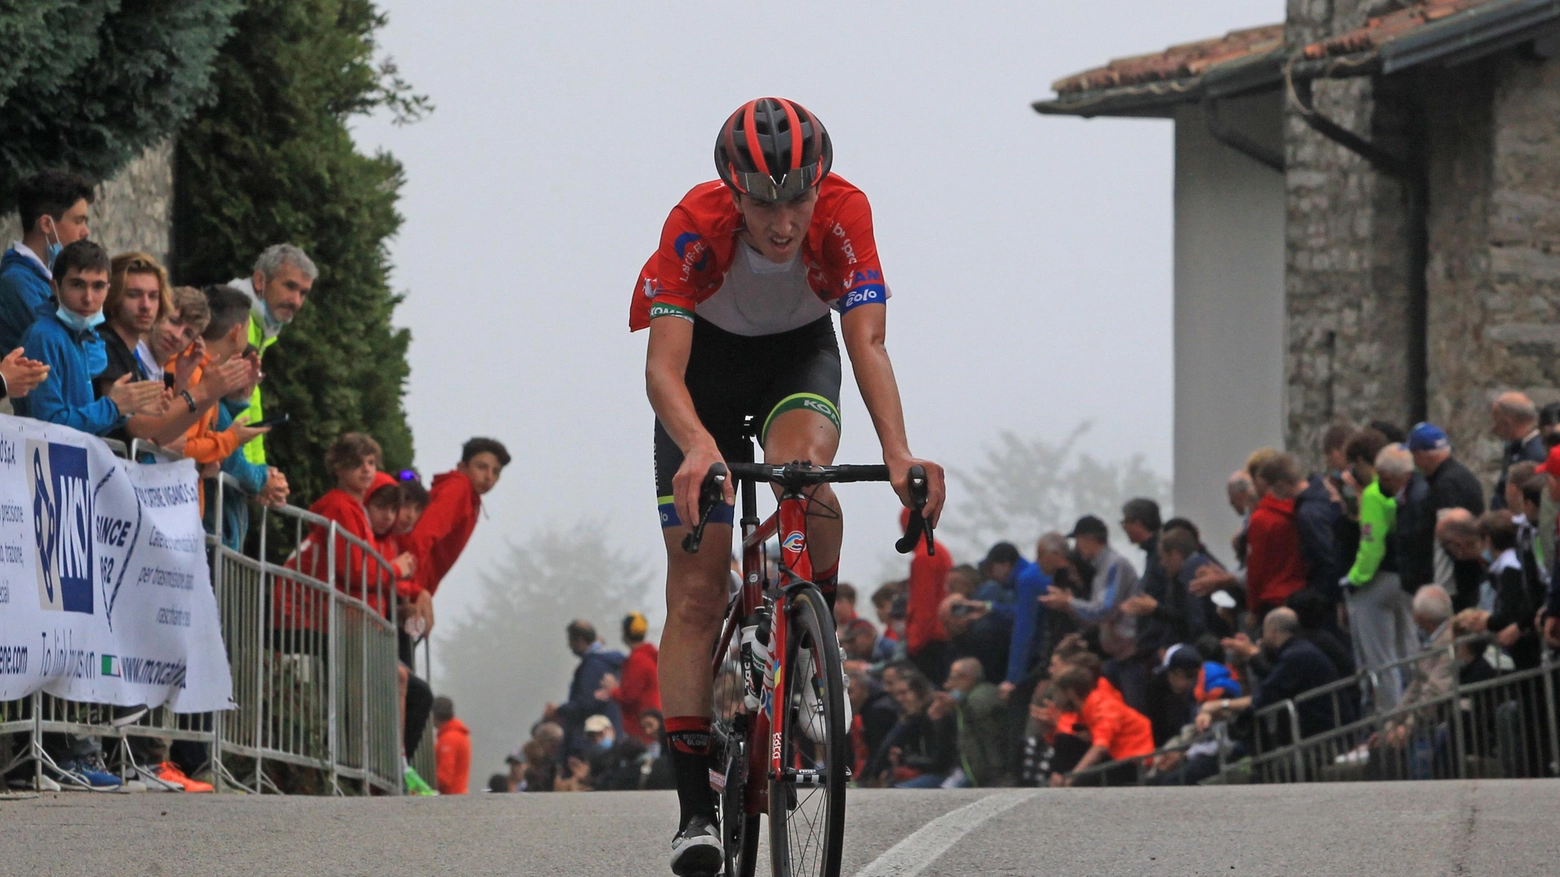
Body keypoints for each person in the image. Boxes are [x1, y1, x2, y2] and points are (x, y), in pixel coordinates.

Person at [635, 97, 946, 872]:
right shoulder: (692, 223)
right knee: (699, 595)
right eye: (765, 201)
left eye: (799, 196)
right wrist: (700, 448)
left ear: (821, 184)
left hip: (795, 360)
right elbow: (662, 369)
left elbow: (867, 343)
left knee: (811, 483)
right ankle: (694, 810)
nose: (783, 220)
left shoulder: (845, 214)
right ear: (732, 191)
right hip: (703, 370)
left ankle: (809, 639)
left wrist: (902, 452)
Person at [15, 240, 166, 431]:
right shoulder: (45, 337)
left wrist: (126, 408)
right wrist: (112, 407)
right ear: (55, 287)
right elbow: (49, 425)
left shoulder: (82, 335)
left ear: (108, 290)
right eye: (77, 285)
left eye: (98, 287)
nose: (88, 298)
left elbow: (84, 428)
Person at [1341, 433, 1418, 712]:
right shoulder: (1406, 491)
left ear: (1362, 462)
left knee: (1381, 660)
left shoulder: (1375, 494)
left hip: (1377, 580)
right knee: (1408, 651)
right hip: (1405, 578)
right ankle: (1418, 715)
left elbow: (1372, 544)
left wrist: (1355, 579)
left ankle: (1390, 722)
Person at [1042, 515, 1145, 710]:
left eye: (1078, 541)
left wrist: (1070, 601)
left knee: (1133, 714)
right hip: (1118, 656)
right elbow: (1095, 619)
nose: (1077, 548)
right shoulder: (1102, 569)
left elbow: (1104, 611)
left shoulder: (1115, 565)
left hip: (1131, 656)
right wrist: (1067, 606)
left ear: (1089, 539)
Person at [227, 244, 317, 465]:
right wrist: (254, 475)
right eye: (290, 286)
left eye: (303, 293)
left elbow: (248, 410)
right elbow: (225, 408)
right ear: (260, 281)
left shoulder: (260, 328)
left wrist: (259, 470)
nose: (296, 300)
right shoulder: (232, 318)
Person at [1196, 608, 1341, 744]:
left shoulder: (1295, 656)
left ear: (1272, 633)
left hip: (1325, 736)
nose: (1261, 640)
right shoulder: (1300, 649)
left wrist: (1220, 704)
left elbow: (1265, 694)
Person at [0, 170, 94, 355]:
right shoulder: (18, 283)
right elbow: (68, 355)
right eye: (79, 221)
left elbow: (97, 355)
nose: (86, 232)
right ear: (46, 224)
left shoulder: (51, 276)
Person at [405, 437, 509, 598]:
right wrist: (412, 590)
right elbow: (422, 535)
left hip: (414, 587)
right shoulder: (459, 488)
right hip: (407, 588)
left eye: (496, 471)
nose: (489, 477)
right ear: (462, 467)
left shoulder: (471, 499)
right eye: (482, 467)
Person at [1052, 662, 1155, 786]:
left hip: (1132, 763)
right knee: (1065, 740)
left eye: (1058, 692)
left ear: (1070, 693)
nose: (1055, 697)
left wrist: (1072, 778)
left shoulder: (1103, 706)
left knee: (1081, 783)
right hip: (1115, 757)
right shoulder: (1085, 709)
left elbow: (1100, 747)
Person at [546, 620, 626, 756]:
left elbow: (587, 703)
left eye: (570, 641)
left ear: (580, 640)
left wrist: (559, 711)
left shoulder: (593, 666)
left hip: (594, 739)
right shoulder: (611, 663)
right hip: (613, 730)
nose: (569, 645)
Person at [1244, 454, 1309, 617]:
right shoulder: (1301, 511)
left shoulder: (1262, 518)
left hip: (1272, 598)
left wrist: (1253, 606)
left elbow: (1256, 568)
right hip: (1302, 594)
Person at [934, 657, 1008, 787]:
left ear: (966, 678)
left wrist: (995, 777)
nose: (948, 685)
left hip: (989, 774)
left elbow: (990, 743)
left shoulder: (978, 702)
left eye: (952, 679)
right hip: (970, 769)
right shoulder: (966, 701)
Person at [901, 508, 954, 685]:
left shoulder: (924, 557)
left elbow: (925, 606)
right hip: (939, 636)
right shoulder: (938, 550)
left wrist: (914, 644)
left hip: (929, 642)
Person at [598, 612, 663, 743]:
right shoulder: (650, 656)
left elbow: (629, 696)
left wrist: (613, 689)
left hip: (641, 730)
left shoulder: (637, 661)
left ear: (625, 632)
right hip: (651, 725)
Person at [1490, 392, 1545, 510]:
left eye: (1496, 421)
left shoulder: (1534, 455)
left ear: (1508, 422)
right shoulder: (1516, 448)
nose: (1493, 428)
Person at [433, 696, 471, 795]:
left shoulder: (448, 739)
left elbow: (444, 777)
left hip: (451, 797)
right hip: (459, 794)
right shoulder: (459, 734)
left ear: (435, 715)